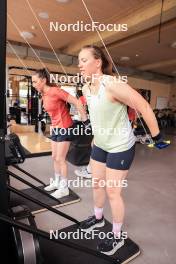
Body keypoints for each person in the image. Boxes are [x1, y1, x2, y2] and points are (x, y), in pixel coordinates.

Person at [78, 45, 168, 255]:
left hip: (120, 146)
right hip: (101, 144)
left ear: (97, 62)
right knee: (97, 184)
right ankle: (98, 219)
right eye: (79, 61)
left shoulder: (113, 85)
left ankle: (117, 236)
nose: (79, 65)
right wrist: (95, 137)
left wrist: (156, 137)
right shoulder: (85, 88)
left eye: (83, 60)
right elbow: (99, 116)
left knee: (112, 191)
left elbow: (143, 106)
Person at [32, 68, 87, 199]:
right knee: (54, 157)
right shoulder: (43, 94)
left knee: (61, 159)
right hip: (55, 127)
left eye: (35, 82)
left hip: (65, 127)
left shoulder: (55, 91)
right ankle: (57, 182)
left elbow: (77, 102)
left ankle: (64, 188)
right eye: (32, 82)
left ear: (43, 80)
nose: (33, 85)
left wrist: (85, 120)